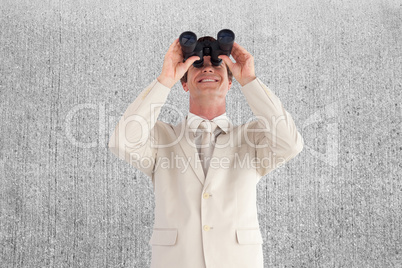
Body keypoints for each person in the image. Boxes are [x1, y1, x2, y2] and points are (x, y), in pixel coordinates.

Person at [108, 35, 304, 268]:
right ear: (183, 82)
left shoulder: (252, 138)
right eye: (198, 64)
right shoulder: (162, 139)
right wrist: (165, 80)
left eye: (217, 63)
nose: (208, 69)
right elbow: (123, 141)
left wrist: (250, 80)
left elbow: (289, 143)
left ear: (231, 82)